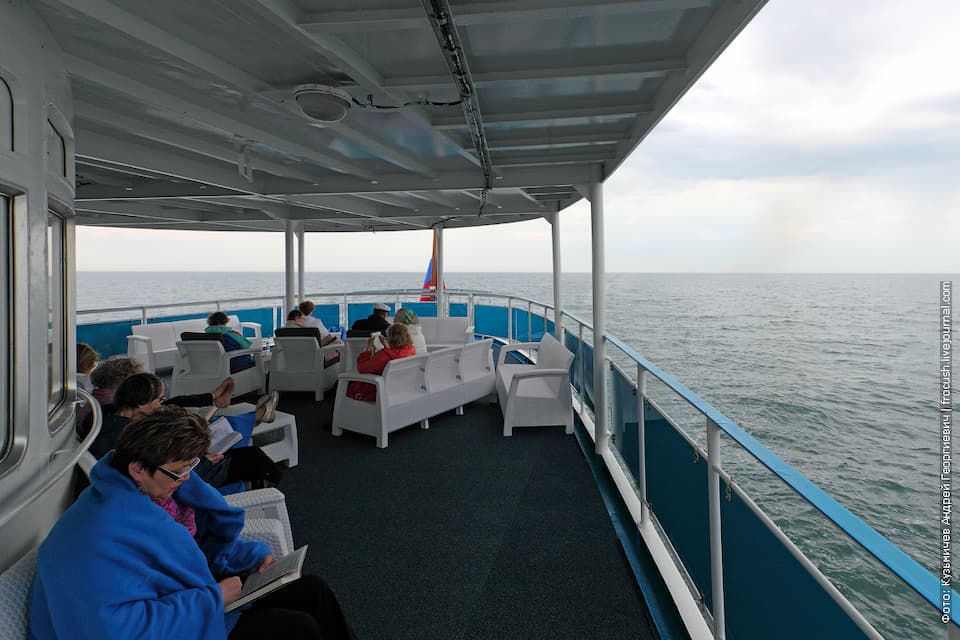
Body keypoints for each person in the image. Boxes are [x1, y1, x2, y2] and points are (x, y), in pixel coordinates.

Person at [29, 412, 358, 640]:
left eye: (190, 467)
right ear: (138, 468)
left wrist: (251, 559)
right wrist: (214, 598)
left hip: (194, 597)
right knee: (297, 629)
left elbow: (194, 549)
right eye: (179, 471)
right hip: (187, 617)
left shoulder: (157, 492)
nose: (186, 479)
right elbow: (112, 631)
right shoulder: (96, 537)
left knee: (312, 590)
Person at [90, 373, 281, 490]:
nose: (161, 405)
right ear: (141, 402)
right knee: (252, 457)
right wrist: (203, 461)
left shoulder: (108, 417)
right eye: (159, 400)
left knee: (233, 446)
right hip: (177, 478)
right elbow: (162, 470)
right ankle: (270, 487)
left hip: (176, 466)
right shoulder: (122, 437)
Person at [347, 323, 416, 402]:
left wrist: (368, 348)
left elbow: (362, 368)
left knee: (341, 384)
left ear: (391, 338)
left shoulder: (384, 356)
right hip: (399, 390)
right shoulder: (411, 351)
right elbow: (396, 353)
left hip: (377, 391)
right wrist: (386, 346)